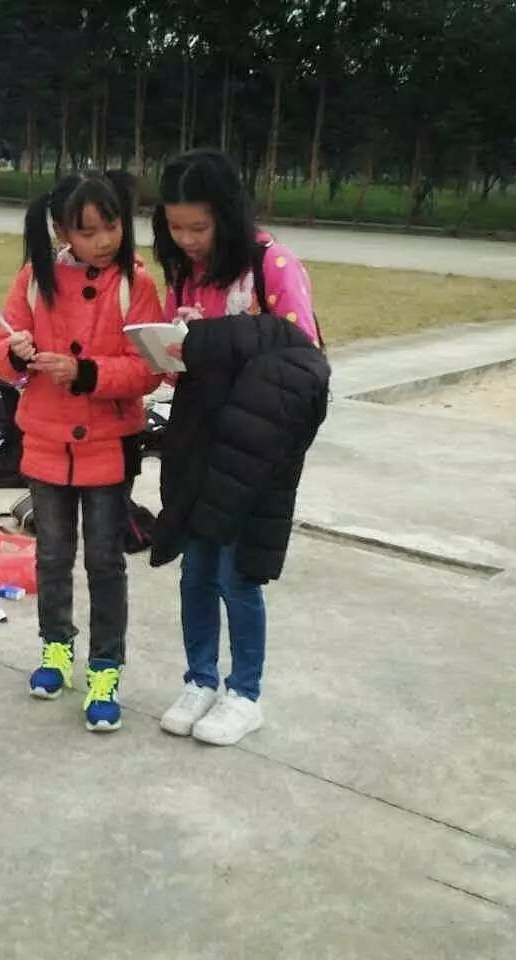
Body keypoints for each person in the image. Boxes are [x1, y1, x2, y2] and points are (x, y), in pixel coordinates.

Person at [149, 149, 331, 746]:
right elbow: (182, 359)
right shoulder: (185, 271)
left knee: (237, 573)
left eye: (198, 227)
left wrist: (206, 341)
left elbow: (302, 353)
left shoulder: (271, 263)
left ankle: (245, 694)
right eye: (176, 227)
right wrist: (165, 353)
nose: (187, 240)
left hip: (255, 444)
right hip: (197, 438)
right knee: (196, 571)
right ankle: (199, 679)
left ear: (227, 215)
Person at [0, 171, 162, 732]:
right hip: (44, 440)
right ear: (62, 231)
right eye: (88, 232)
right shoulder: (34, 278)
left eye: (111, 226)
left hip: (109, 445)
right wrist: (16, 352)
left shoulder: (136, 284)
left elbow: (151, 370)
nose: (104, 241)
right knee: (51, 556)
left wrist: (85, 372)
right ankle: (55, 648)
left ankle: (105, 668)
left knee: (105, 562)